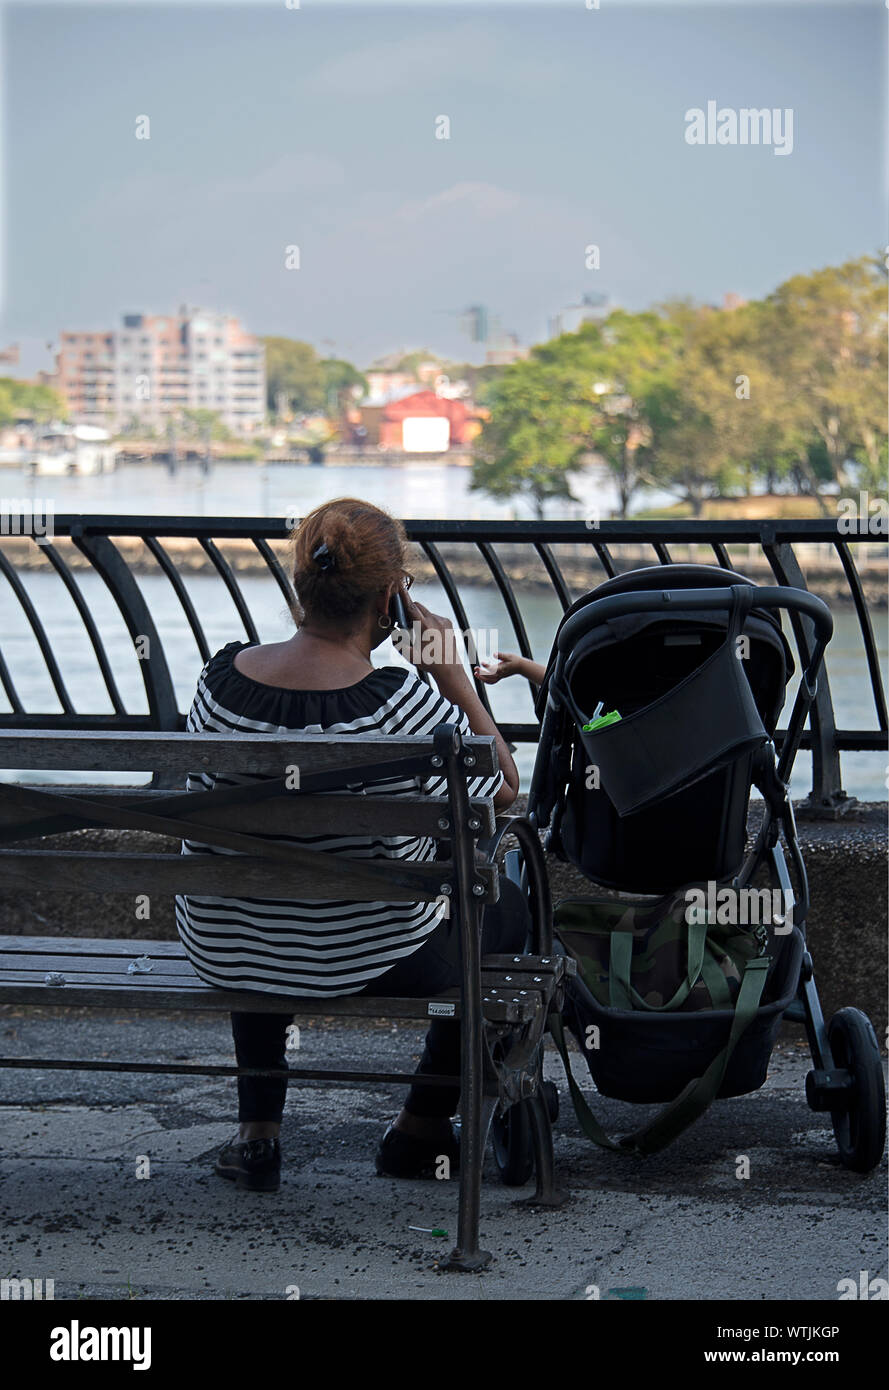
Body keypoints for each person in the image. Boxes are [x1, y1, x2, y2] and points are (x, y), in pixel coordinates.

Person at [174, 498, 524, 1192]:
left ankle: (257, 1140)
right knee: (507, 909)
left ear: (300, 583)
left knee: (262, 880)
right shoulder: (403, 705)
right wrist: (451, 675)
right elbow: (506, 786)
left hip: (226, 944)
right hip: (363, 955)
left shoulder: (218, 684)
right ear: (392, 596)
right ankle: (420, 1132)